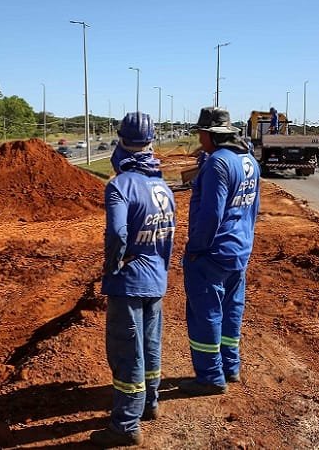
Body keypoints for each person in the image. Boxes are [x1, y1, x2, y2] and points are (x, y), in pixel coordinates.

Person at [90, 112, 176, 448]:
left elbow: (116, 233)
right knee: (151, 346)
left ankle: (125, 424)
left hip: (128, 282)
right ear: (151, 142)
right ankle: (150, 404)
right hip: (156, 278)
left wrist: (113, 266)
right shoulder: (163, 187)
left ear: (121, 142)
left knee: (127, 351)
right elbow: (167, 239)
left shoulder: (119, 186)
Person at [180, 107, 260, 397]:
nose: (199, 138)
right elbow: (254, 208)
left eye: (201, 133)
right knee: (231, 310)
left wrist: (195, 249)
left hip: (212, 253)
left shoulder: (217, 164)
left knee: (206, 315)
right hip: (239, 251)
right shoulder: (249, 160)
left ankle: (211, 376)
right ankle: (230, 366)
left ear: (211, 134)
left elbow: (211, 214)